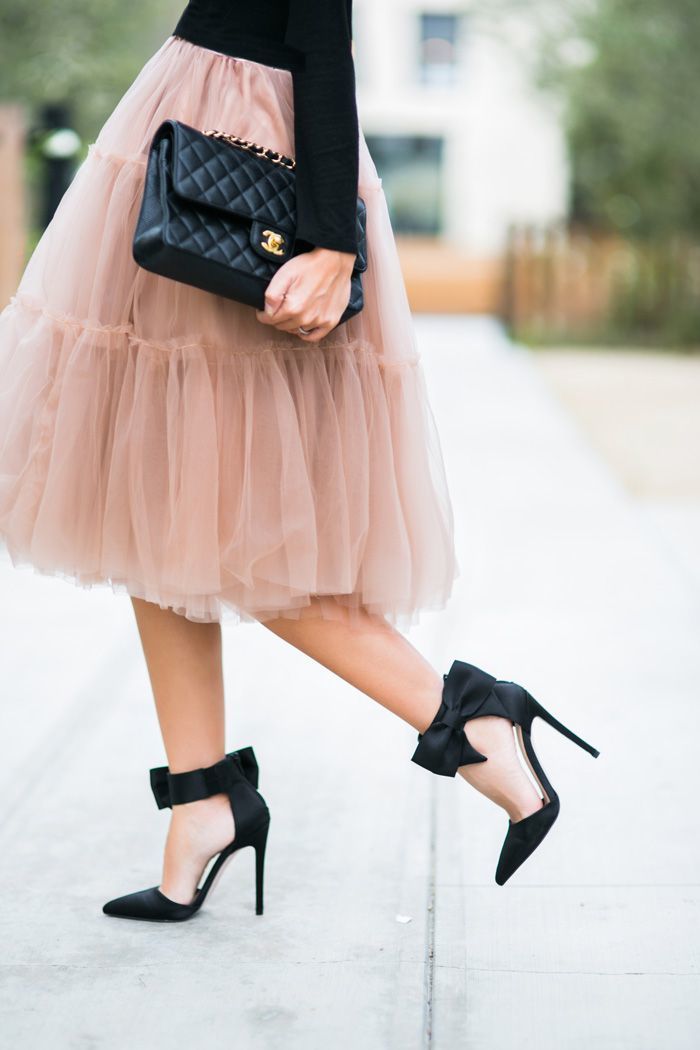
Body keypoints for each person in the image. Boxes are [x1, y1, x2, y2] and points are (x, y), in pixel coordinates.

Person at [0, 0, 599, 923]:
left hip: (245, 143)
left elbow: (320, 28)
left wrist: (329, 240)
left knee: (235, 521)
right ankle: (203, 804)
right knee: (152, 490)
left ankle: (471, 718)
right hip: (195, 110)